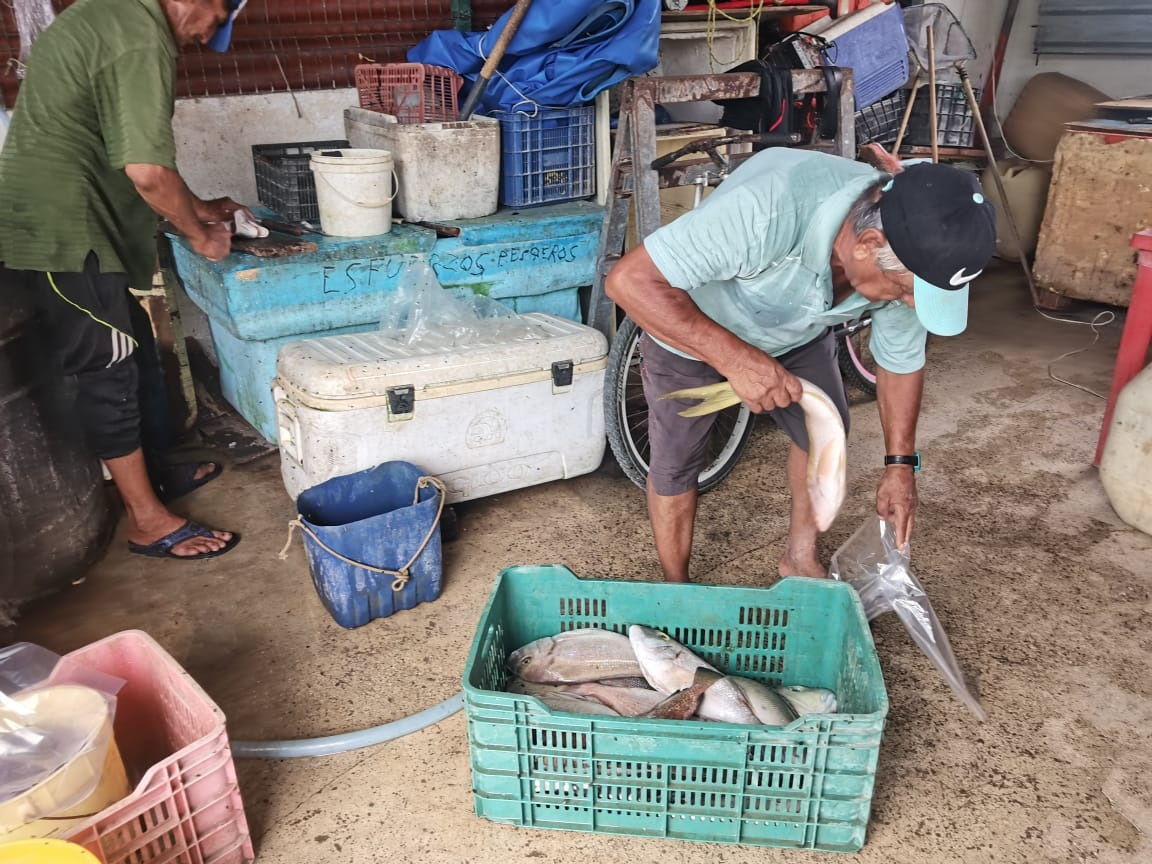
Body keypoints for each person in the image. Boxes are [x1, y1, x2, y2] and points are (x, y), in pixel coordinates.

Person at [605, 147, 996, 582]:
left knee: (824, 433)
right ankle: (676, 586)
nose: (909, 305)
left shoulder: (908, 257)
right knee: (677, 462)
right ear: (869, 245)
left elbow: (900, 362)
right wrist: (738, 359)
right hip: (689, 325)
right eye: (906, 292)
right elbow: (629, 281)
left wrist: (901, 467)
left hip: (796, 329)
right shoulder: (769, 206)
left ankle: (799, 557)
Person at [0, 0, 251, 559]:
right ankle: (146, 520)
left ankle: (155, 476)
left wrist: (199, 207)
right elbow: (148, 172)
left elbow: (139, 157)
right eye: (215, 23)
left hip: (75, 219)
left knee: (133, 348)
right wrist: (198, 234)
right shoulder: (142, 35)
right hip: (65, 230)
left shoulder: (114, 15)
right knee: (108, 369)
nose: (203, 39)